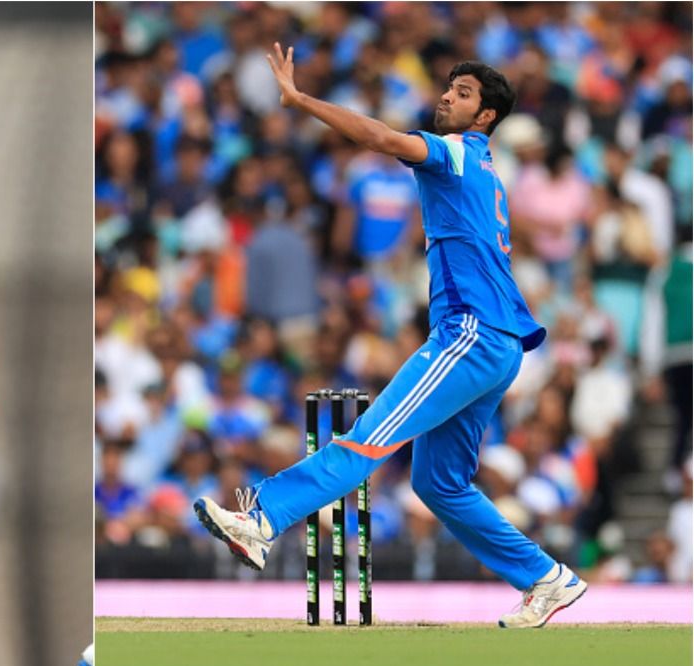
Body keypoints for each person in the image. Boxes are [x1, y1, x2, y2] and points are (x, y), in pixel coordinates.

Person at [193, 43, 586, 629]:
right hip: (499, 343)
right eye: (449, 88)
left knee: (367, 439)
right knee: (439, 484)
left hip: (471, 334)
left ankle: (263, 519)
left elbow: (379, 137)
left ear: (485, 118)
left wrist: (299, 99)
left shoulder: (453, 152)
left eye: (463, 94)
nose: (447, 97)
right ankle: (545, 578)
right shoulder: (485, 169)